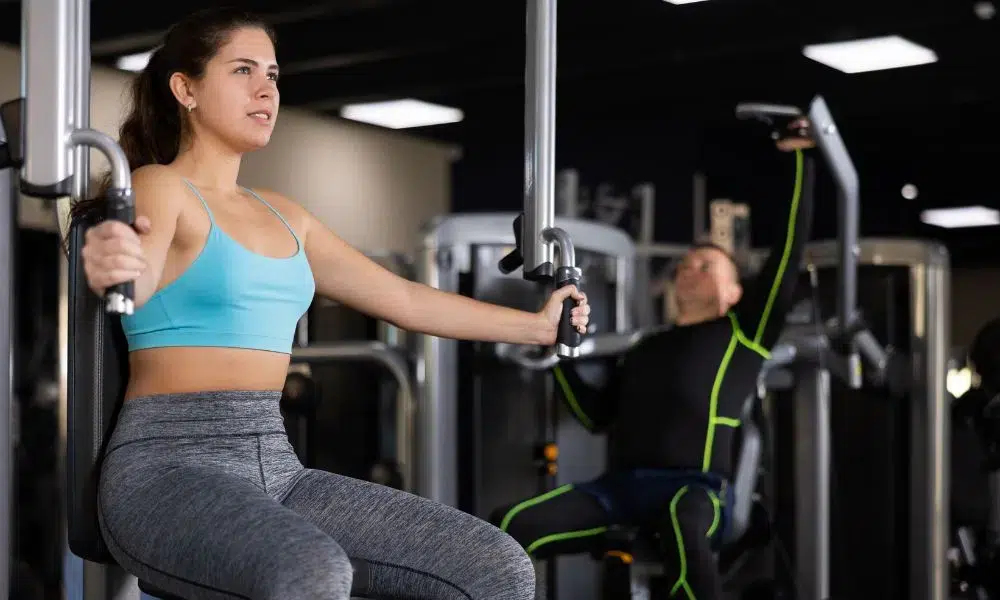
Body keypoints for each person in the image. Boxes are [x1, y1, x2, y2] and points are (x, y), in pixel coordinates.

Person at [75, 8, 591, 600]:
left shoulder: (284, 214)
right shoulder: (160, 187)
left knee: (496, 567)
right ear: (185, 88)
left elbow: (403, 298)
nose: (265, 88)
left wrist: (537, 327)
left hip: (276, 462)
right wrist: (112, 264)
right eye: (242, 70)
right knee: (311, 572)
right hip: (168, 468)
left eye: (272, 73)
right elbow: (131, 277)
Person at [489, 145, 814, 599]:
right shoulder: (645, 346)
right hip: (619, 490)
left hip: (696, 491)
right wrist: (559, 355)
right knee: (507, 527)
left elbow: (787, 257)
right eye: (685, 265)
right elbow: (595, 417)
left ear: (736, 291)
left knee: (684, 522)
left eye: (706, 266)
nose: (689, 271)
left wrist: (802, 158)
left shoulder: (741, 334)